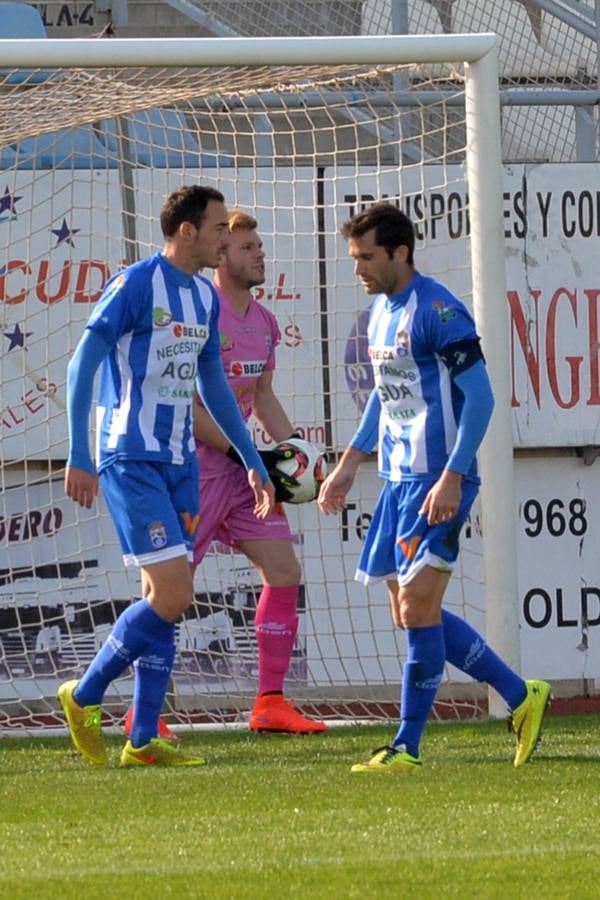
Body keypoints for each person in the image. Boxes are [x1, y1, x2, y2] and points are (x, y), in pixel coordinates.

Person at [318, 202, 550, 772]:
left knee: (418, 611)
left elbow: (483, 398)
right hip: (398, 479)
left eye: (367, 257)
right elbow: (385, 393)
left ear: (400, 252)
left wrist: (452, 474)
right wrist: (350, 462)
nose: (359, 269)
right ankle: (522, 697)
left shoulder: (439, 311)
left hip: (438, 477)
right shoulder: (379, 312)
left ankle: (406, 745)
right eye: (354, 258)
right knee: (409, 611)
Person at [58, 185, 275, 768]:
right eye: (217, 229)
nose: (225, 238)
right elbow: (83, 363)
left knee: (166, 598)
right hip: (130, 455)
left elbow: (216, 391)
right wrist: (80, 452)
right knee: (176, 591)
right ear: (187, 232)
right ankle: (83, 697)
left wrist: (252, 460)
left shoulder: (204, 299)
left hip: (179, 464)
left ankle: (144, 737)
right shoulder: (135, 284)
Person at [192, 209, 326, 734]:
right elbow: (192, 409)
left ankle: (270, 702)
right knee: (170, 589)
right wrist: (247, 457)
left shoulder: (265, 322)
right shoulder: (202, 314)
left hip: (246, 473)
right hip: (199, 471)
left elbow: (261, 395)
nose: (260, 254)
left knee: (286, 572)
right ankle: (144, 713)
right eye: (247, 247)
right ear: (220, 256)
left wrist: (294, 450)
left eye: (259, 246)